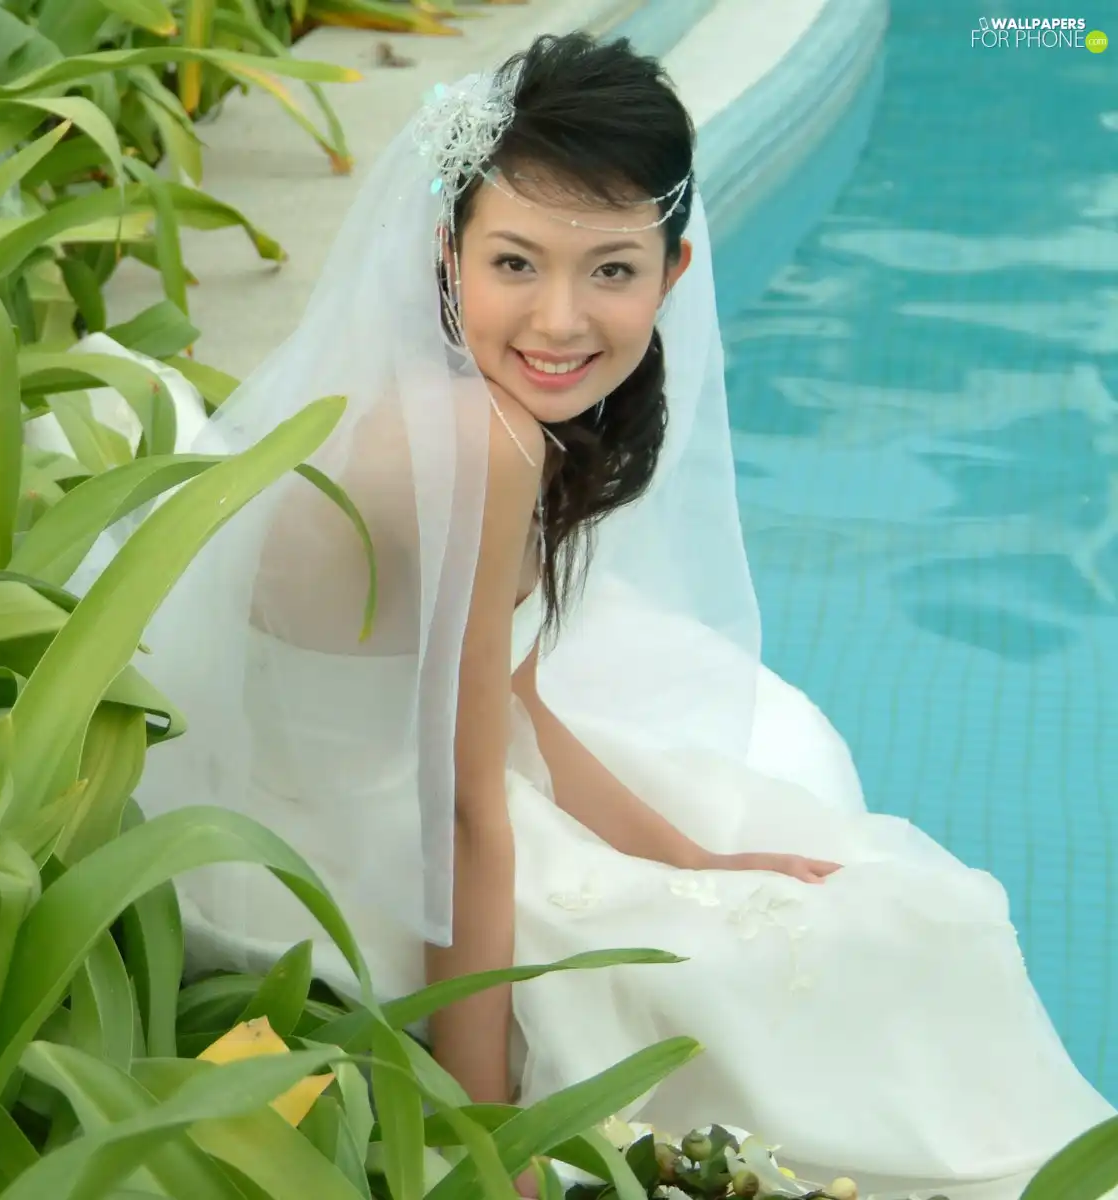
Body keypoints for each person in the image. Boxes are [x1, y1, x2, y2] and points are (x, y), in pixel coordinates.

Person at [66, 30, 1115, 1200]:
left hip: (391, 797)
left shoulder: (487, 410)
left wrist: (694, 860)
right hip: (331, 858)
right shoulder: (481, 439)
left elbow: (508, 698)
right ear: (448, 254)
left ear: (669, 274)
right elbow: (459, 812)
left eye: (609, 271)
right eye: (517, 263)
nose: (560, 321)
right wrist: (481, 1135)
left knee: (838, 906)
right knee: (882, 950)